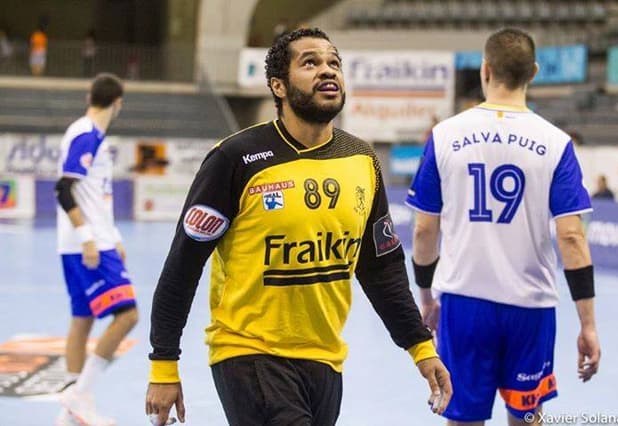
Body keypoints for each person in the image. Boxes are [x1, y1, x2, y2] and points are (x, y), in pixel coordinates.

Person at [145, 27, 452, 426]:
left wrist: (420, 348)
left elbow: (380, 267)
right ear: (279, 86)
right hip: (249, 352)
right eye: (310, 62)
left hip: (325, 358)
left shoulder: (361, 160)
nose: (328, 71)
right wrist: (164, 366)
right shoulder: (235, 159)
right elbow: (182, 267)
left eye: (333, 62)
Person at [407, 28, 600, 425]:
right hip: (530, 307)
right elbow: (571, 237)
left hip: (464, 302)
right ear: (533, 72)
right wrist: (588, 325)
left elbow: (425, 231)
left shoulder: (444, 135)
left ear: (485, 70)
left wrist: (426, 297)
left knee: (462, 416)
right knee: (527, 417)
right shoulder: (556, 142)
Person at [55, 73, 138, 426]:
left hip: (86, 242)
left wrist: (114, 234)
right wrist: (90, 237)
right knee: (128, 316)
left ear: (91, 95)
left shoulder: (90, 135)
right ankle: (78, 394)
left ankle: (71, 413)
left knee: (82, 319)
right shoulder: (87, 134)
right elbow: (64, 189)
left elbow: (93, 196)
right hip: (88, 245)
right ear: (118, 102)